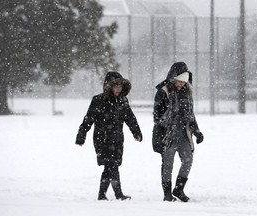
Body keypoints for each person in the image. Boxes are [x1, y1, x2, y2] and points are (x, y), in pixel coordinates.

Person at [75, 71, 143, 201]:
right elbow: (88, 119)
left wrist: (136, 132)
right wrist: (81, 136)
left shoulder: (123, 100)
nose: (118, 89)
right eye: (115, 86)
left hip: (117, 139)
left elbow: (130, 118)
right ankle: (117, 194)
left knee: (112, 166)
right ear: (108, 87)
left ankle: (103, 195)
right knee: (111, 165)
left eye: (120, 86)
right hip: (102, 139)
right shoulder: (98, 100)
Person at [152, 62, 204, 202]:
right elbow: (157, 117)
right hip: (167, 135)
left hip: (183, 133)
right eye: (179, 81)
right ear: (173, 78)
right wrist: (171, 117)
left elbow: (191, 115)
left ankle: (179, 189)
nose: (181, 84)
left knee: (188, 160)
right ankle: (167, 194)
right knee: (167, 164)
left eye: (183, 82)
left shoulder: (187, 93)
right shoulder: (163, 92)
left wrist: (197, 131)